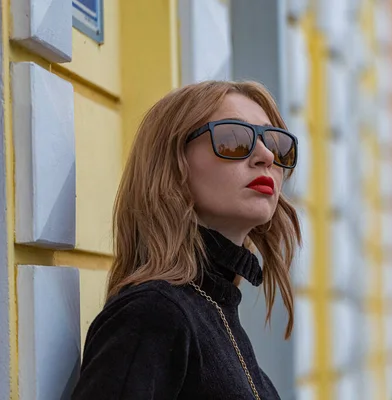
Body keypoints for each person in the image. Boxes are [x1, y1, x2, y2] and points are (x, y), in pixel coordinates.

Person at [72, 81, 301, 400]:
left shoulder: (216, 309)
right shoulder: (152, 313)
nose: (265, 156)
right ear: (173, 164)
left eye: (275, 144)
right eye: (233, 139)